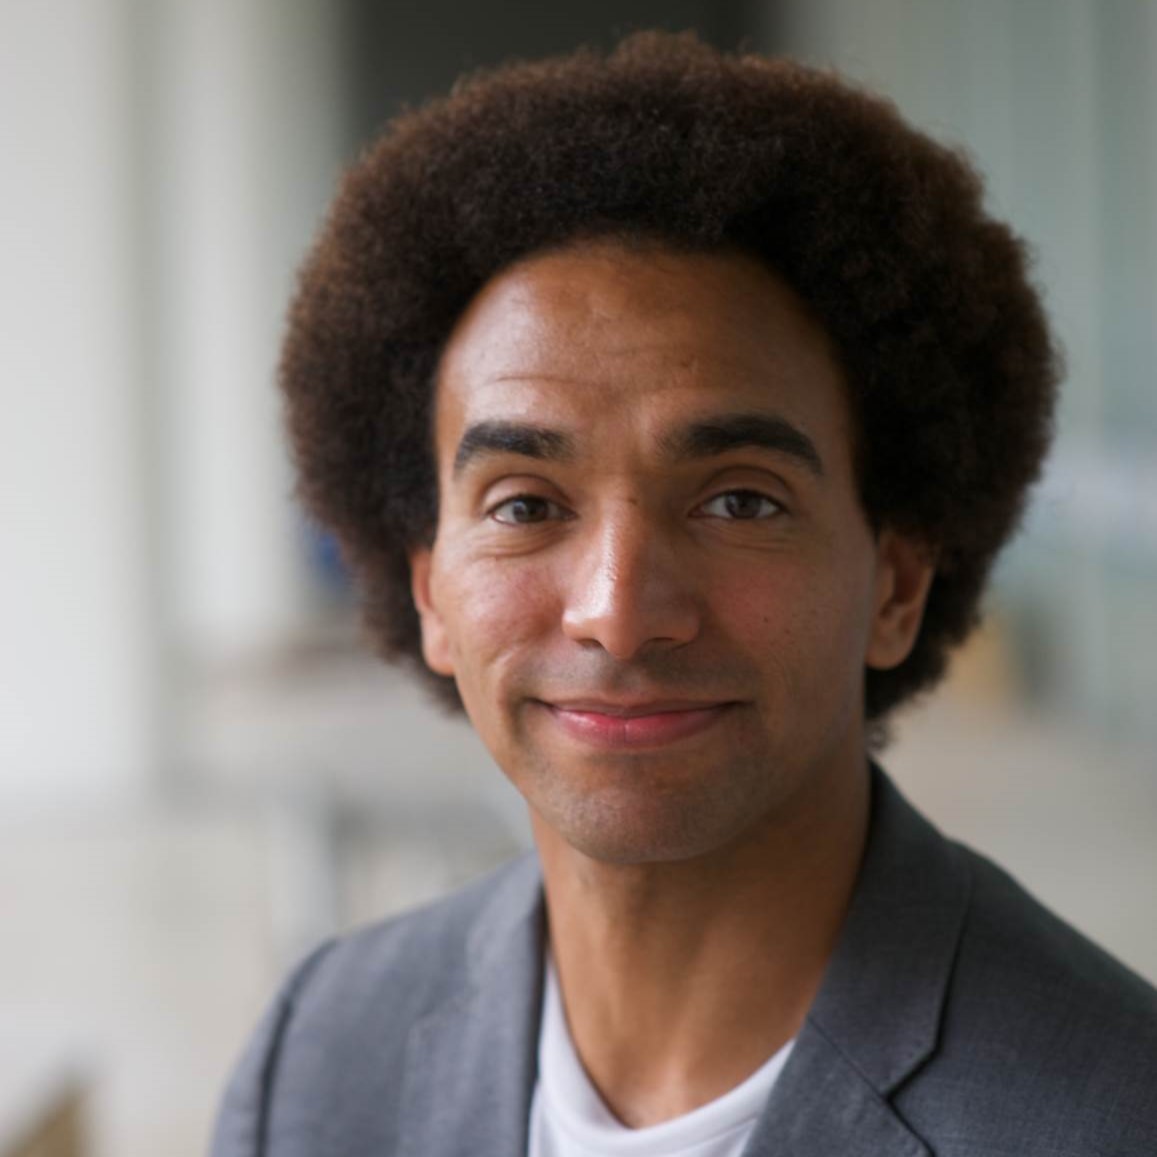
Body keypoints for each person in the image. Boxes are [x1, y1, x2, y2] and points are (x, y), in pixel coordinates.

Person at [212, 31, 1157, 1157]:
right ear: (428, 589)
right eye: (524, 504)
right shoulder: (317, 1055)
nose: (617, 610)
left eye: (739, 501)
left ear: (896, 583)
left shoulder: (1112, 1114)